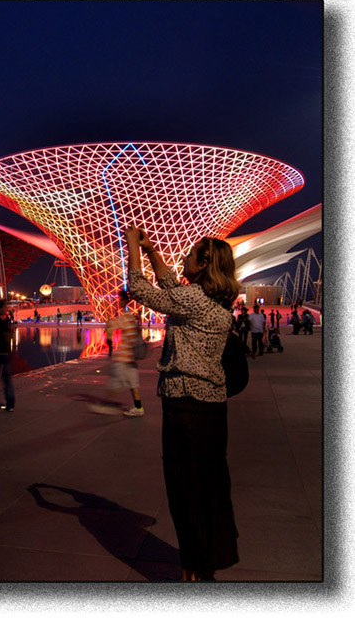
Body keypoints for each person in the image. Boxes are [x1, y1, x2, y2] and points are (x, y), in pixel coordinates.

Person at [125, 227, 240, 581]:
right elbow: (173, 288)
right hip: (212, 410)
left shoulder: (194, 303)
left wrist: (130, 247)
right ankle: (206, 562)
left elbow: (139, 290)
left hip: (186, 409)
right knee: (211, 487)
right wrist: (152, 252)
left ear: (204, 264)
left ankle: (194, 568)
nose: (184, 259)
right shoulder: (212, 304)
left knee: (184, 488)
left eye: (191, 255)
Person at [104, 291, 145, 417]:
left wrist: (109, 324)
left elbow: (113, 324)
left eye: (120, 300)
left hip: (124, 357)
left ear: (124, 301)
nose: (119, 302)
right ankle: (138, 407)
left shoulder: (126, 317)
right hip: (131, 357)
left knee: (115, 382)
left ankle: (107, 406)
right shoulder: (130, 317)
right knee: (133, 383)